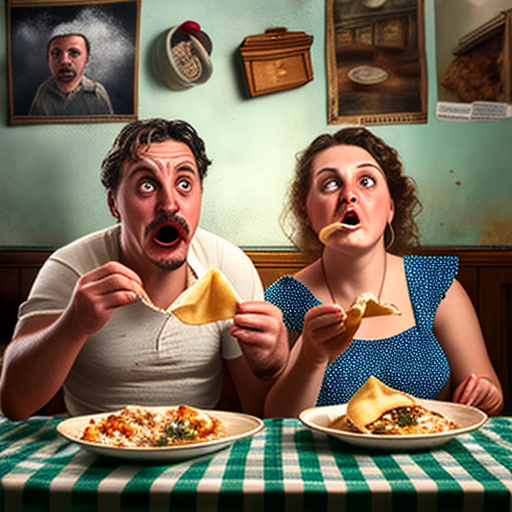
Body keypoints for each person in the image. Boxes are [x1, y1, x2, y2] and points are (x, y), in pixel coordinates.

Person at [0, 118, 288, 421]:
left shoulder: (229, 266)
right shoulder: (70, 267)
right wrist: (75, 323)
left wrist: (272, 363)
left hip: (200, 444)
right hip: (96, 448)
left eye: (184, 184)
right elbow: (15, 403)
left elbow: (259, 411)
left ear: (200, 197)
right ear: (114, 204)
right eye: (147, 185)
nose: (169, 204)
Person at [264, 127, 503, 418]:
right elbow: (276, 421)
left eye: (365, 181)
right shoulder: (284, 300)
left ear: (390, 208)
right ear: (306, 211)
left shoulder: (435, 285)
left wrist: (487, 393)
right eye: (330, 184)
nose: (349, 195)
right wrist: (313, 358)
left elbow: (489, 389)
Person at [29, 33, 114, 116]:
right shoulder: (44, 92)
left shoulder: (96, 92)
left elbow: (108, 128)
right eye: (56, 54)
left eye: (74, 53)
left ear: (86, 58)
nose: (64, 61)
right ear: (49, 59)